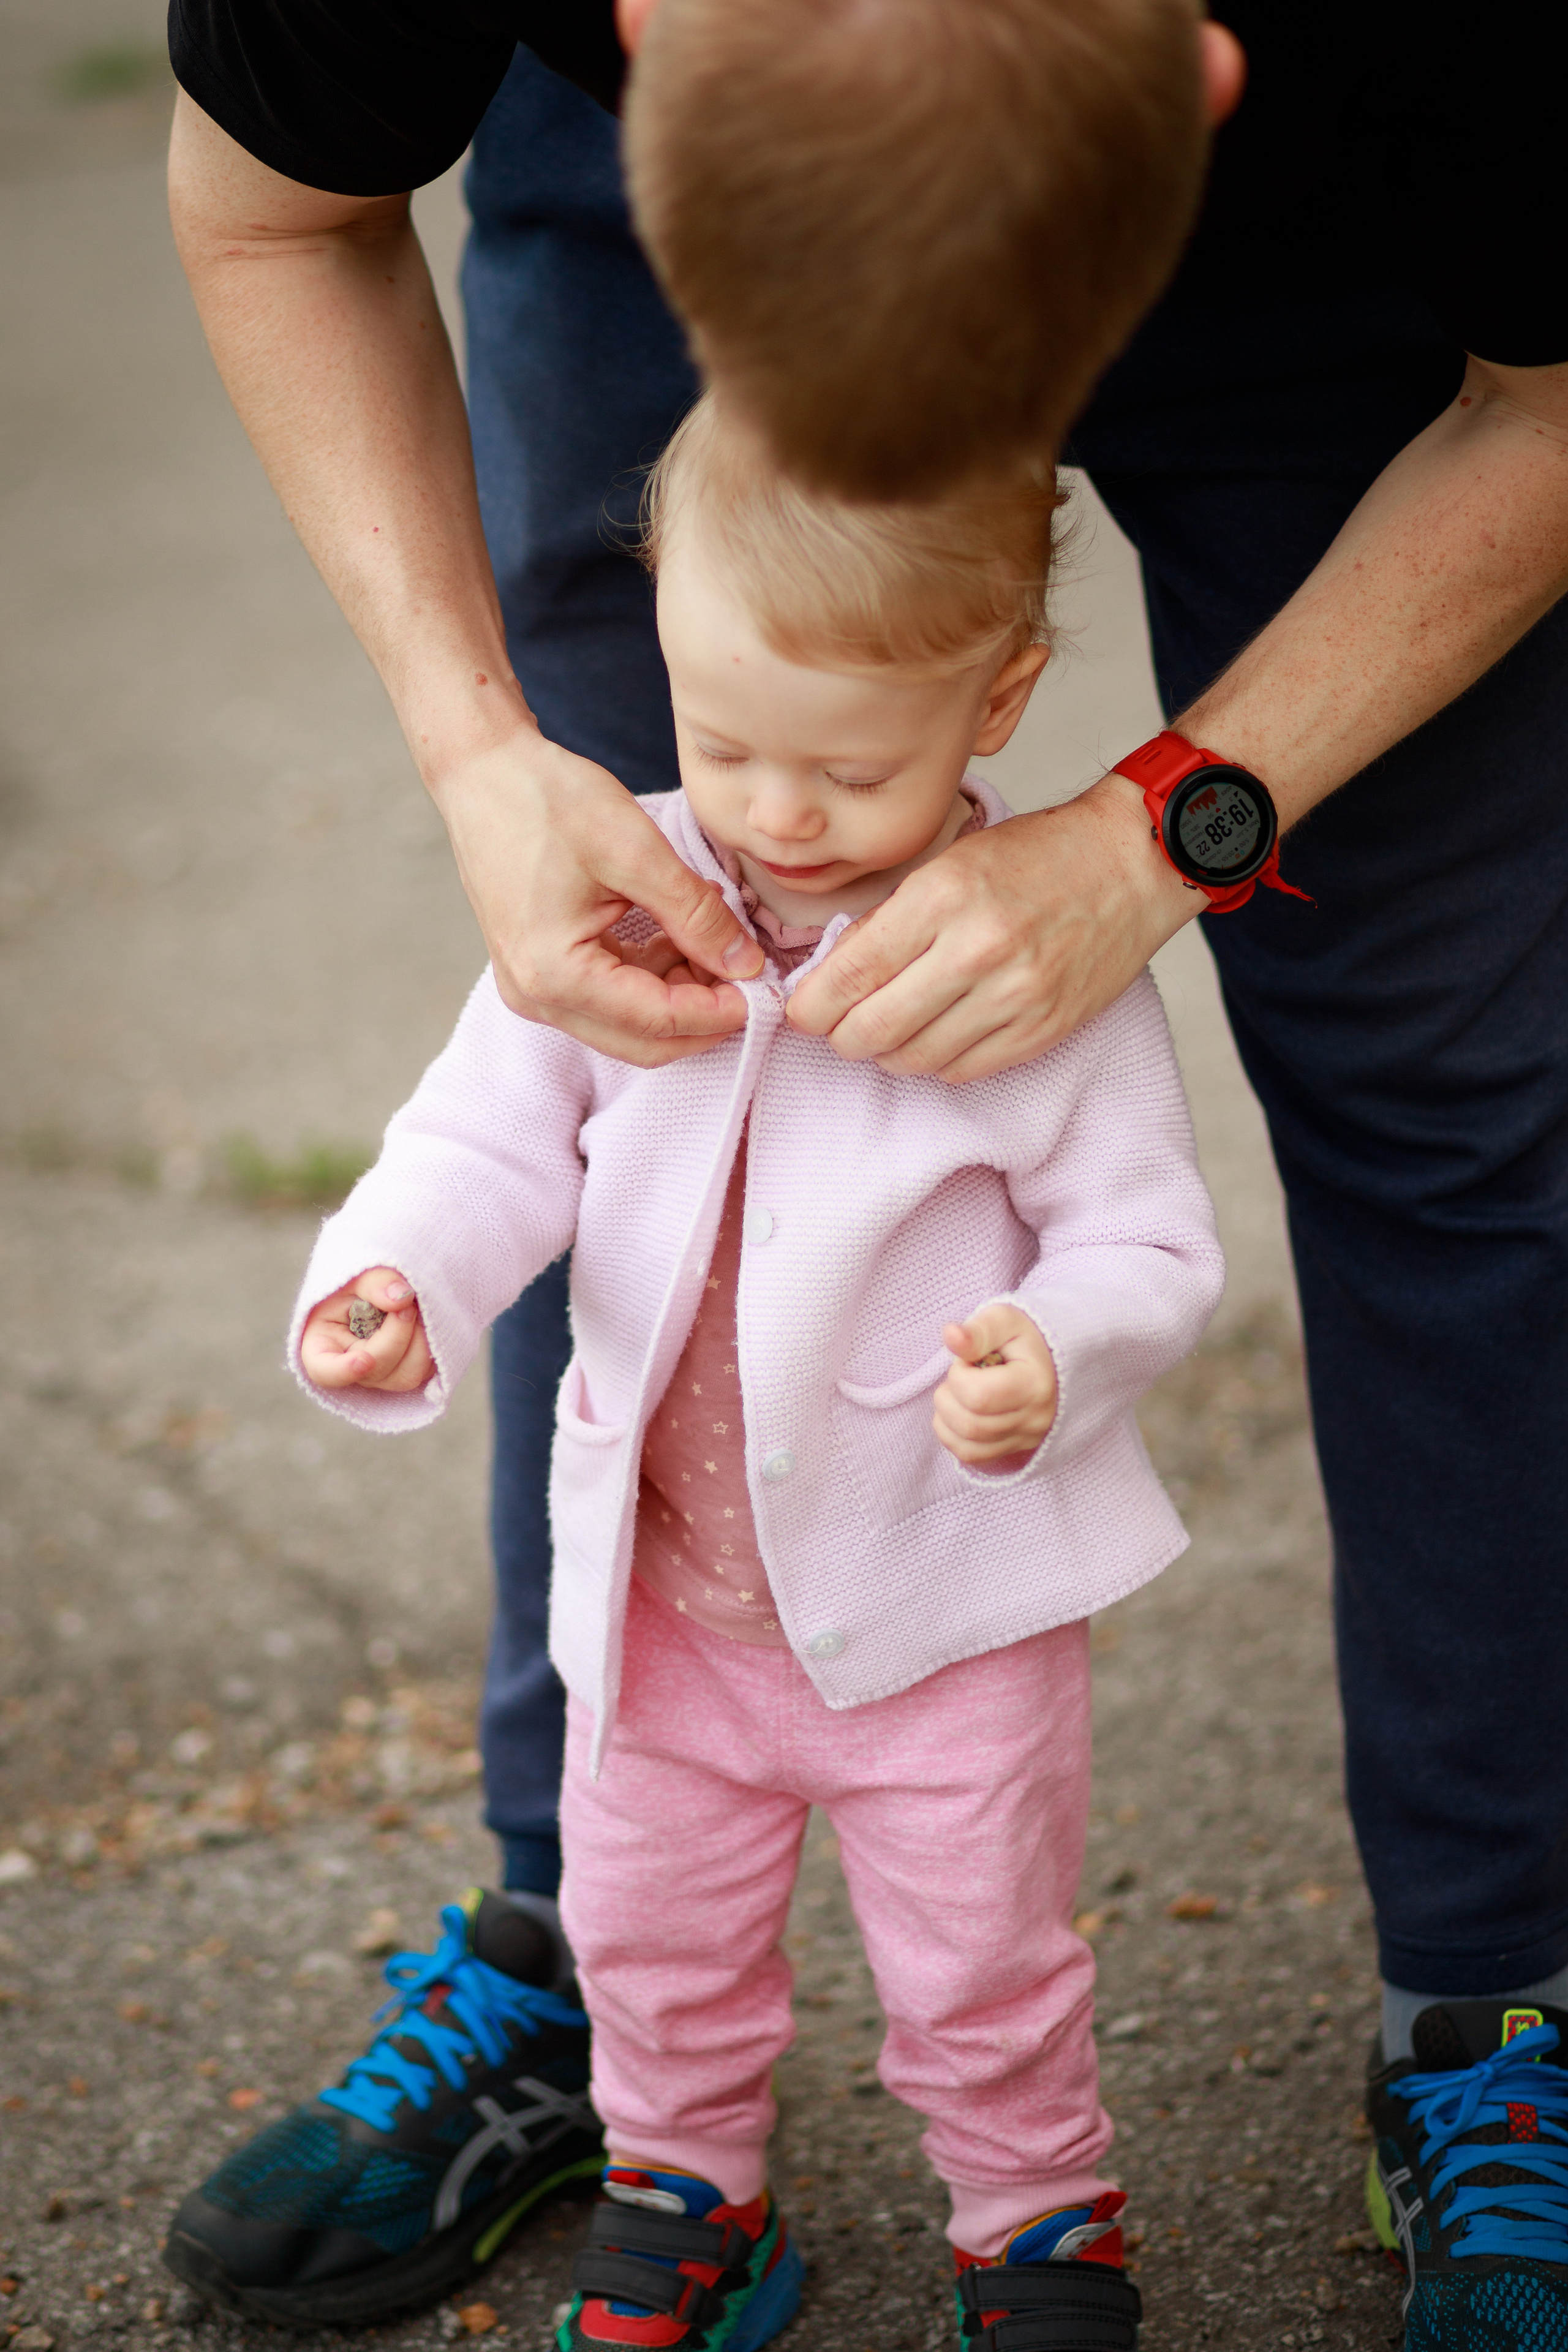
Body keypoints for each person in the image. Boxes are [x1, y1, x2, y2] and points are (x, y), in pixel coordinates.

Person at [162, 0, 1568, 2343]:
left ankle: (1491, 2016)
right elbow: (270, 213)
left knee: (1443, 1077)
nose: (770, 819)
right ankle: (570, 1971)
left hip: (1364, 301)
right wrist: (478, 747)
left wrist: (1161, 837)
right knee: (619, 989)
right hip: (657, 221)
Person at [200, 398, 1223, 2352]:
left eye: (848, 764)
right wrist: (396, 1273)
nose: (773, 811)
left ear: (999, 699)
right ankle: (692, 2195)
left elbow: (1152, 1243)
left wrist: (1056, 1351)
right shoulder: (622, 890)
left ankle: (1036, 2230)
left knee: (985, 1962)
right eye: (722, 738)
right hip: (667, 1613)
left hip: (947, 1621)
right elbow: (488, 1137)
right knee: (654, 1947)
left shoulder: (1032, 968)